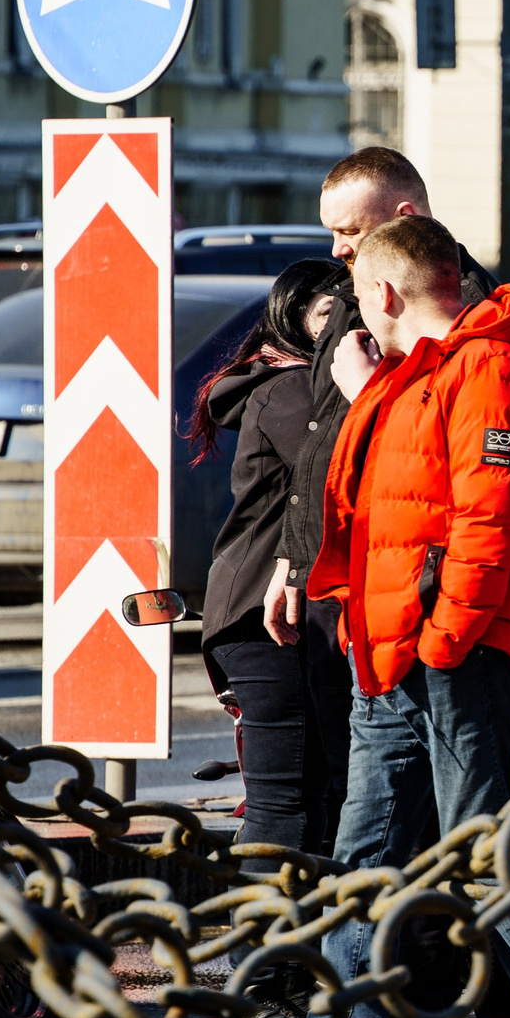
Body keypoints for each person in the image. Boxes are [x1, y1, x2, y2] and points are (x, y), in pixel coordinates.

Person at [301, 214, 510, 1018]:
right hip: (394, 649)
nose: (358, 311)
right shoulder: (411, 374)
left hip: (450, 651)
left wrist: (446, 639)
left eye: (362, 291)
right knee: (370, 844)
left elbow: (490, 519)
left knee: (479, 842)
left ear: (388, 292)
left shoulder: (489, 367)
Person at [262, 148, 495, 642]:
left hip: (412, 593)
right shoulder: (349, 297)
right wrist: (294, 560)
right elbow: (322, 436)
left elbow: (456, 466)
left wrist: (447, 626)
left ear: (403, 217)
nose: (337, 250)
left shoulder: (472, 313)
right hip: (341, 581)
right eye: (331, 233)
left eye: (350, 231)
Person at [195, 258, 354, 861]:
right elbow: (347, 466)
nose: (341, 326)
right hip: (266, 617)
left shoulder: (301, 383)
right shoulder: (290, 390)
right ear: (292, 314)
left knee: (318, 800)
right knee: (283, 805)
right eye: (326, 314)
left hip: (289, 614)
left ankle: (302, 948)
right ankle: (266, 953)